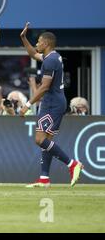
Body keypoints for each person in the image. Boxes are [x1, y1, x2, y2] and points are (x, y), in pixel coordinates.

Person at [19, 22, 83, 188]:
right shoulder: (52, 57)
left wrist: (27, 104)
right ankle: (44, 178)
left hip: (51, 104)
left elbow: (45, 86)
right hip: (55, 102)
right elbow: (33, 54)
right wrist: (23, 38)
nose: (37, 44)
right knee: (47, 140)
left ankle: (72, 164)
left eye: (39, 41)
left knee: (40, 139)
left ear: (46, 43)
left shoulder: (50, 61)